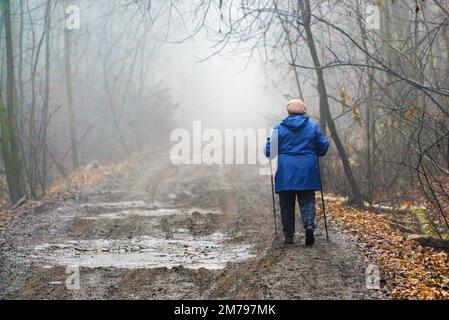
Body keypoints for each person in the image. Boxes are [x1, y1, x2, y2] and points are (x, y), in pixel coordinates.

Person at [265, 99, 330, 246]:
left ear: (288, 112)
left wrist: (268, 143)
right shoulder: (313, 127)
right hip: (307, 171)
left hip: (286, 173)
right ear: (303, 111)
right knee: (307, 201)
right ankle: (308, 225)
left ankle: (289, 235)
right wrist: (315, 150)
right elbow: (323, 147)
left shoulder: (279, 129)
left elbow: (270, 152)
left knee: (286, 205)